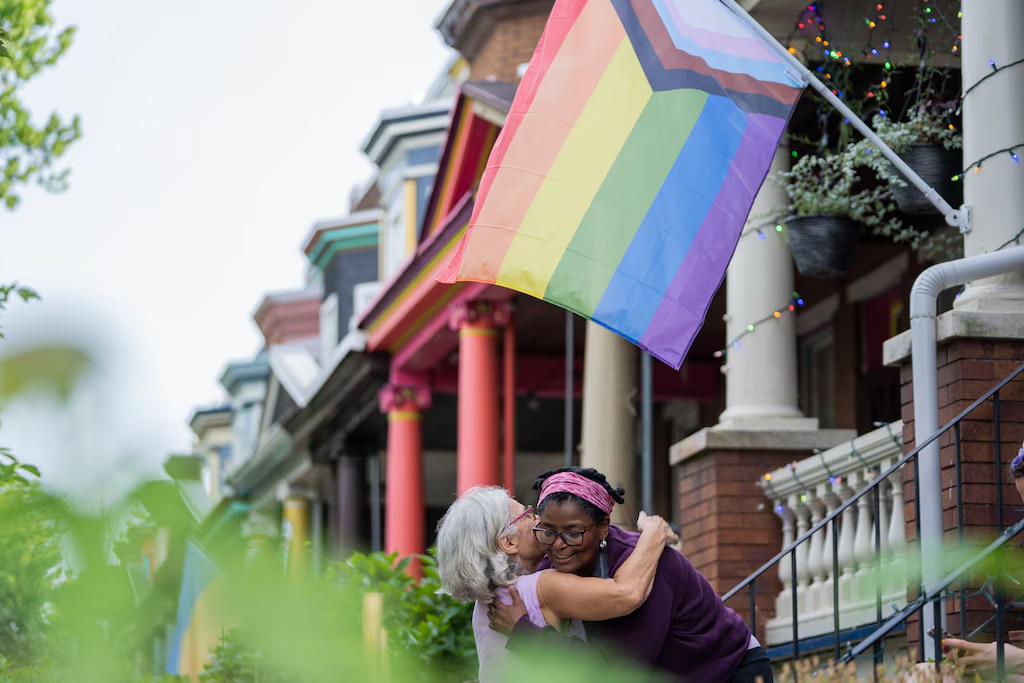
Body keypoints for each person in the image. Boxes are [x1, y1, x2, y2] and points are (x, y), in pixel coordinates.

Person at [494, 466, 771, 683]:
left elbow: (614, 672)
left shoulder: (649, 567)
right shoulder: (553, 565)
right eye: (548, 531)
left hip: (729, 672)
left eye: (573, 533)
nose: (558, 544)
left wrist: (524, 633)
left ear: (603, 527)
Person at [435, 485, 678, 683]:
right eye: (527, 515)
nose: (539, 519)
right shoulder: (543, 587)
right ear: (509, 543)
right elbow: (627, 593)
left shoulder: (485, 604)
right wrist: (654, 534)